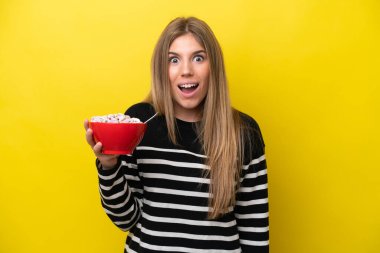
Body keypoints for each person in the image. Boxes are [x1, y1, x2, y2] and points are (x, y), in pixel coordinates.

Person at [84, 16, 269, 253]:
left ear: (214, 67)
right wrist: (108, 166)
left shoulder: (245, 132)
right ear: (162, 68)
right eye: (174, 60)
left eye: (198, 58)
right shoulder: (139, 123)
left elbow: (255, 231)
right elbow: (126, 219)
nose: (186, 71)